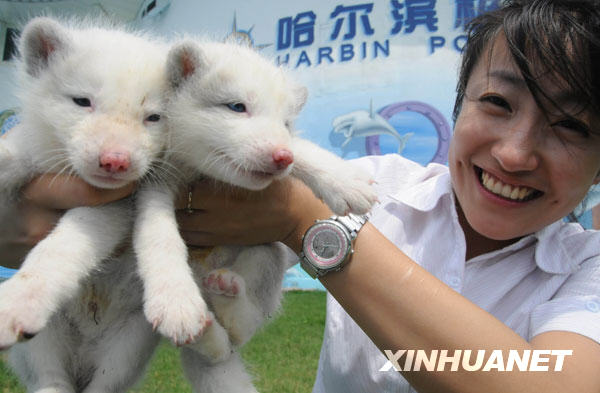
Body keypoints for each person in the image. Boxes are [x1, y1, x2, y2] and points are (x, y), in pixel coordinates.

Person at [2, 0, 600, 391]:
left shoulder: (588, 270)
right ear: (459, 102)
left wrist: (304, 222)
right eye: (497, 103)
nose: (517, 154)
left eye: (571, 126)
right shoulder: (381, 188)